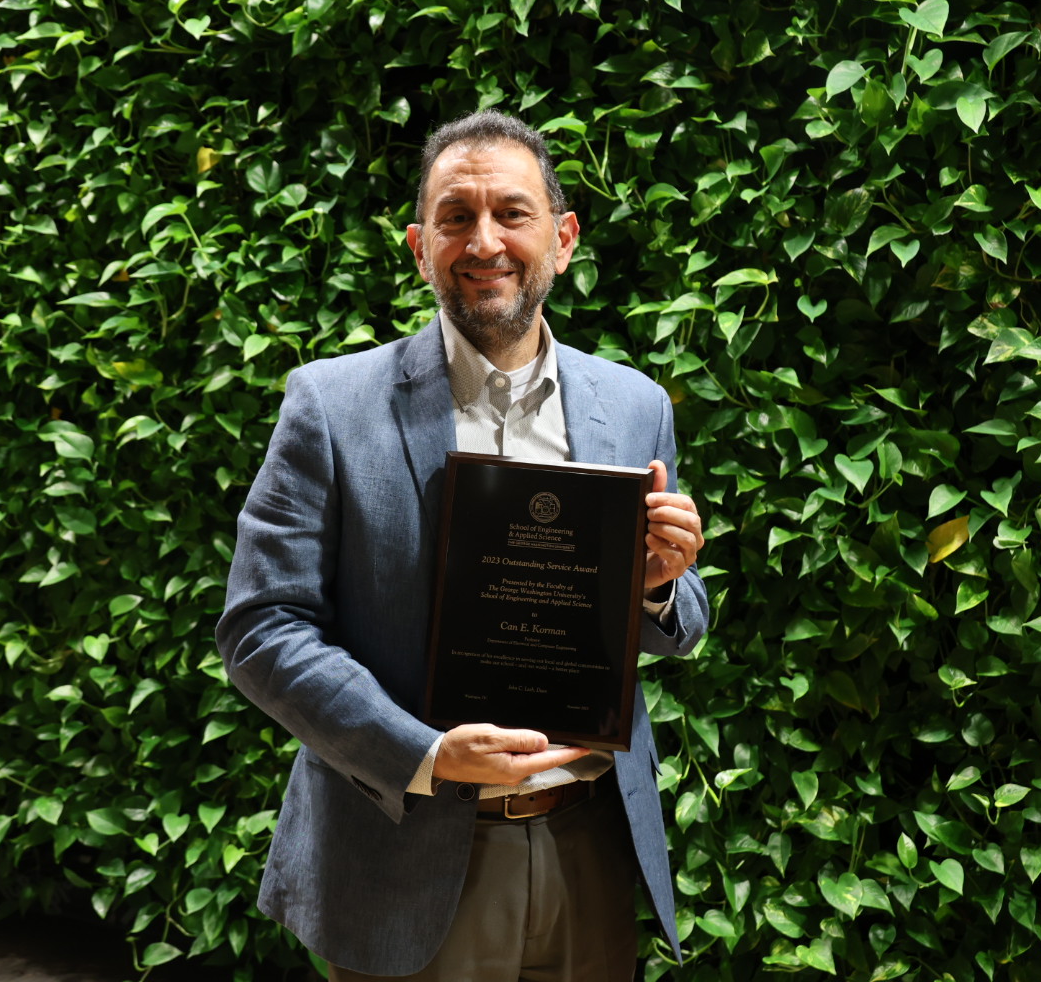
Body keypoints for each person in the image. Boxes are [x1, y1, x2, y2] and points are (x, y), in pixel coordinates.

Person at [216, 110, 708, 981]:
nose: (485, 241)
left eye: (512, 214)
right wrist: (424, 755)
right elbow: (262, 628)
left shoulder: (635, 405)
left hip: (589, 845)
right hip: (406, 857)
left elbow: (682, 622)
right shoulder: (331, 406)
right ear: (419, 245)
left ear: (562, 239)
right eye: (456, 216)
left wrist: (659, 587)